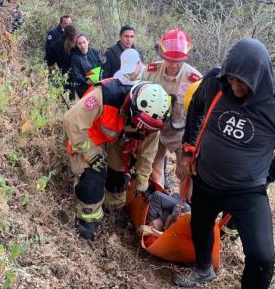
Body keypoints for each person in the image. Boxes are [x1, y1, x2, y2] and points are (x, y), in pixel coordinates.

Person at [173, 38, 275, 289]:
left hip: (247, 190)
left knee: (262, 256)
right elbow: (196, 108)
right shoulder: (215, 82)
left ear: (260, 77)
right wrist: (187, 152)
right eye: (231, 79)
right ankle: (203, 269)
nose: (234, 87)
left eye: (242, 82)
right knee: (201, 224)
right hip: (206, 176)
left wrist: (265, 178)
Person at [63, 79, 171, 240]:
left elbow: (148, 151)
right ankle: (87, 219)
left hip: (117, 138)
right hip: (88, 136)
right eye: (140, 125)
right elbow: (71, 121)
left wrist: (143, 176)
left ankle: (113, 206)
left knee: (119, 173)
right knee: (94, 174)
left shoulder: (153, 120)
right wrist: (89, 152)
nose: (143, 130)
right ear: (133, 106)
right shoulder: (106, 95)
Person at [143, 29, 202, 188]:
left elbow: (199, 117)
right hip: (154, 128)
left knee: (185, 172)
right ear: (162, 55)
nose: (174, 65)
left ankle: (183, 207)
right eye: (169, 60)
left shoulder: (194, 80)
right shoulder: (150, 72)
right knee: (153, 166)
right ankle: (156, 198)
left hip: (180, 131)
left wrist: (191, 148)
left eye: (179, 61)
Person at [47, 24, 77, 99]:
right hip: (73, 75)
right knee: (71, 97)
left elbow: (49, 60)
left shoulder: (56, 44)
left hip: (59, 73)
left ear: (64, 32)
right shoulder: (77, 45)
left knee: (58, 97)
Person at [70, 34, 103, 98]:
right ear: (77, 45)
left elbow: (101, 65)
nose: (82, 45)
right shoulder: (75, 57)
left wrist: (99, 76)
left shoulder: (94, 52)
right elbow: (76, 74)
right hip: (84, 87)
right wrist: (86, 81)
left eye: (84, 42)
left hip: (97, 84)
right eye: (79, 44)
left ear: (88, 41)